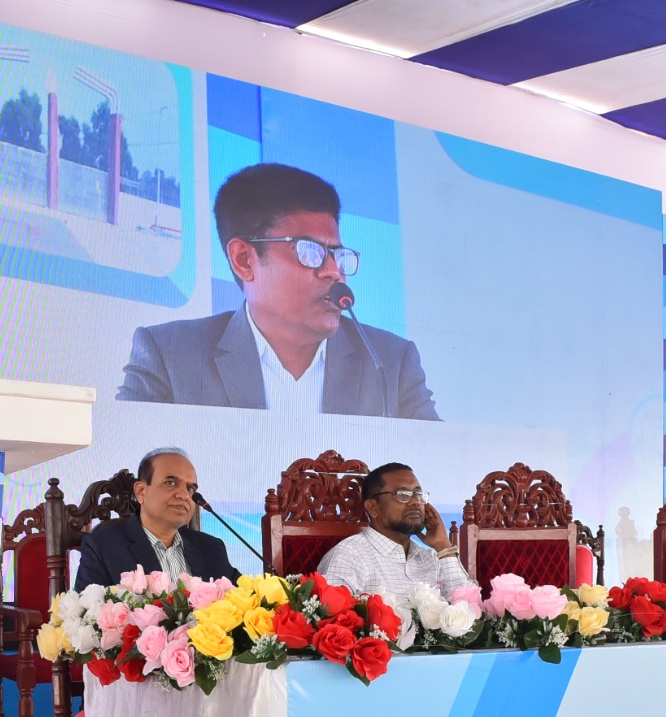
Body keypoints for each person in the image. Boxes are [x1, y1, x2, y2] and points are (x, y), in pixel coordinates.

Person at [117, 163, 438, 419]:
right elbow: (128, 466)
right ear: (244, 260)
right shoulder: (169, 356)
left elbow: (434, 467)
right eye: (310, 252)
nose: (333, 271)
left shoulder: (390, 363)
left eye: (337, 254)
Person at [74, 448, 242, 588]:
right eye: (170, 483)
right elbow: (89, 614)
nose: (184, 495)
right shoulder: (103, 547)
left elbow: (246, 601)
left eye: (190, 488)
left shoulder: (211, 548)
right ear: (141, 491)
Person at [319, 462, 473, 598]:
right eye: (402, 495)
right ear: (373, 508)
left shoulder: (432, 558)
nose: (415, 502)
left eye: (418, 494)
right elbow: (334, 619)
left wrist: (444, 546)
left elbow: (469, 609)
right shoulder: (348, 557)